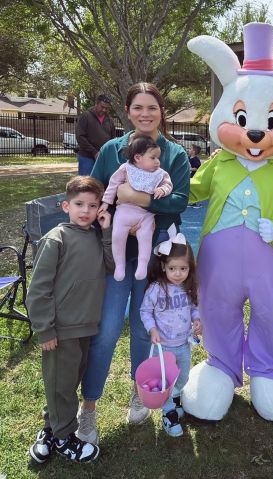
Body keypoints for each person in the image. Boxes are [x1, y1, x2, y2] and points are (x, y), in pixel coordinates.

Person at [78, 82, 190, 444]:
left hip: (154, 256)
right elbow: (95, 194)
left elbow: (179, 202)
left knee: (144, 329)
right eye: (138, 107)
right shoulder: (112, 149)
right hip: (115, 257)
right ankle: (88, 407)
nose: (145, 114)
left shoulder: (174, 155)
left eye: (152, 108)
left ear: (162, 111)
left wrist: (137, 197)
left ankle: (138, 389)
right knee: (108, 329)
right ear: (127, 111)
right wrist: (109, 209)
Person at [26, 176, 113, 464]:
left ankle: (50, 430)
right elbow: (39, 289)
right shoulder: (56, 239)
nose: (85, 211)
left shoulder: (96, 236)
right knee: (60, 385)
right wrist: (45, 329)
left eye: (92, 205)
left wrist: (107, 232)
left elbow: (112, 266)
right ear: (66, 206)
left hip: (86, 326)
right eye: (79, 204)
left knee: (66, 383)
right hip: (60, 330)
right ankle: (65, 438)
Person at [140, 230, 202, 437]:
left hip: (183, 344)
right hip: (163, 346)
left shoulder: (188, 287)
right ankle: (168, 413)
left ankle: (175, 399)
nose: (178, 273)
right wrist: (152, 328)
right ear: (163, 267)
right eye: (173, 268)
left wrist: (197, 319)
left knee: (182, 377)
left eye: (183, 268)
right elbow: (145, 311)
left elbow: (194, 307)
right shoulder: (157, 289)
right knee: (165, 380)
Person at [100, 134, 173, 281]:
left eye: (158, 158)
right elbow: (113, 184)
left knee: (145, 238)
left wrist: (163, 190)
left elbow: (168, 184)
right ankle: (119, 265)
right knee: (117, 236)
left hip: (145, 215)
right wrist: (106, 202)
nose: (158, 162)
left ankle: (142, 265)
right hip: (124, 212)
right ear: (138, 158)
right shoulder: (126, 169)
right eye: (153, 158)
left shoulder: (160, 173)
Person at [76, 94, 116, 175]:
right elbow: (80, 137)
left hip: (103, 158)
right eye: (102, 107)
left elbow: (112, 139)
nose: (104, 110)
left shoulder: (110, 120)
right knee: (85, 184)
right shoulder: (86, 116)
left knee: (99, 185)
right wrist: (94, 152)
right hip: (86, 157)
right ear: (96, 104)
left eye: (107, 108)